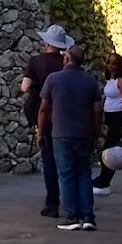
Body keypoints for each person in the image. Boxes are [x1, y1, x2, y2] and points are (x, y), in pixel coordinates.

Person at [38, 43, 102, 232]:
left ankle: (72, 215)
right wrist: (96, 132)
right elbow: (97, 110)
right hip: (84, 133)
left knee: (66, 174)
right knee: (84, 172)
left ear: (66, 59)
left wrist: (41, 131)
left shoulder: (53, 79)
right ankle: (88, 215)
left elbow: (43, 108)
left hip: (61, 133)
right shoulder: (90, 81)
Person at [21, 23, 72, 217]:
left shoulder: (35, 62)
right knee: (68, 162)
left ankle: (52, 203)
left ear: (46, 43)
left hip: (44, 116)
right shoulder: (66, 63)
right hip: (66, 114)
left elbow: (25, 87)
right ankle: (72, 204)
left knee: (49, 161)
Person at [92, 52, 122, 194]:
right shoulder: (110, 79)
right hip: (110, 116)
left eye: (114, 63)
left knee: (109, 150)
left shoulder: (121, 80)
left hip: (118, 116)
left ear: (119, 65)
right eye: (109, 62)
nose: (111, 65)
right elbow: (108, 100)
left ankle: (104, 181)